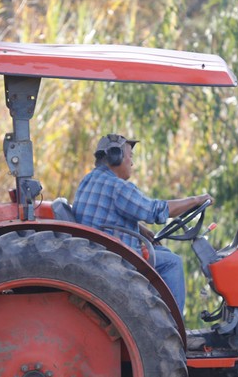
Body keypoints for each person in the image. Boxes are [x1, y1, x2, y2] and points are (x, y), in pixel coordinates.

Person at [73, 133, 212, 314]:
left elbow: (101, 214)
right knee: (172, 262)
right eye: (130, 157)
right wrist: (196, 200)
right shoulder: (118, 187)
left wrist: (138, 228)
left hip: (95, 251)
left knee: (162, 252)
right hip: (114, 258)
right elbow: (155, 211)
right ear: (116, 158)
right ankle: (174, 329)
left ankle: (153, 314)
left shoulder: (89, 180)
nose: (132, 163)